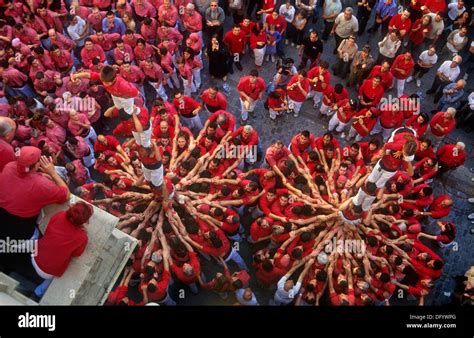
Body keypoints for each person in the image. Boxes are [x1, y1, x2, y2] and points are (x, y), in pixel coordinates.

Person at [0, 148, 70, 270]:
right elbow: (66, 195)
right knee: (28, 247)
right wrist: (52, 172)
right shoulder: (41, 184)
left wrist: (39, 174)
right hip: (22, 232)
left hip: (2, 221)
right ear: (37, 164)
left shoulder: (9, 166)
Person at [27, 202, 92, 298]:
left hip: (34, 255)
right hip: (48, 273)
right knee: (62, 270)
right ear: (85, 221)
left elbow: (48, 228)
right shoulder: (82, 237)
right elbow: (77, 254)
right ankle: (37, 293)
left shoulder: (59, 215)